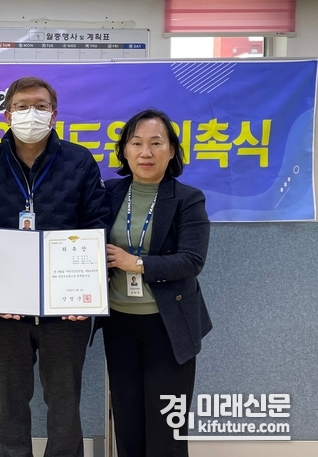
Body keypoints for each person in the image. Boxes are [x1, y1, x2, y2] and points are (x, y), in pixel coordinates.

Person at [0, 76, 109, 457]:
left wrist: (87, 293)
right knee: (10, 402)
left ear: (54, 114)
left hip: (66, 309)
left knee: (64, 403)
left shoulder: (79, 161)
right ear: (7, 114)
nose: (31, 113)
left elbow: (96, 225)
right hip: (5, 309)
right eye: (22, 106)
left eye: (41, 106)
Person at [96, 108, 211, 457]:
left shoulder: (188, 199)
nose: (145, 152)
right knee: (128, 423)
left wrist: (136, 263)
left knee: (166, 431)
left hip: (168, 325)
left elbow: (192, 261)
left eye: (156, 143)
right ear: (124, 150)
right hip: (119, 324)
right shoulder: (107, 193)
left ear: (172, 150)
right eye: (136, 143)